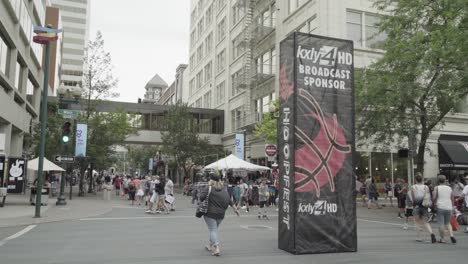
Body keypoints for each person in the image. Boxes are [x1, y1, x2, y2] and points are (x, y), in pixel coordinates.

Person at [199, 173, 239, 256]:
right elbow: (229, 200)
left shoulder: (209, 188)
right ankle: (210, 245)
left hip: (210, 213)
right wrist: (235, 209)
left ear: (211, 180)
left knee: (212, 230)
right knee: (214, 229)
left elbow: (201, 197)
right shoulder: (223, 189)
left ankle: (216, 248)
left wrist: (203, 191)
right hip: (221, 215)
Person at [410, 174, 436, 243]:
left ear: (415, 180)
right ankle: (431, 233)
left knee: (417, 222)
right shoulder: (426, 187)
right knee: (425, 222)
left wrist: (413, 204)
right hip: (424, 206)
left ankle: (419, 237)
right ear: (422, 180)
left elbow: (413, 197)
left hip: (417, 206)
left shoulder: (413, 187)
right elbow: (428, 196)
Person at [433, 175, 456, 244]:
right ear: (445, 180)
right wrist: (452, 205)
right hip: (448, 206)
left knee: (441, 224)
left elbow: (434, 197)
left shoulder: (437, 187)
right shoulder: (449, 188)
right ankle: (451, 235)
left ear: (438, 180)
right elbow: (452, 198)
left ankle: (442, 239)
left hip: (440, 206)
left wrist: (434, 203)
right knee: (448, 223)